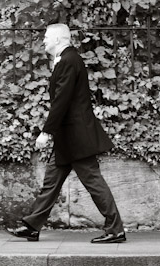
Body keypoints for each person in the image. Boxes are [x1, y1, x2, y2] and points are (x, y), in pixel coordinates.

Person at [7, 23, 126, 244]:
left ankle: (115, 229)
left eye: (46, 37)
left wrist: (46, 131)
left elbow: (62, 100)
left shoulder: (69, 60)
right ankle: (33, 225)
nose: (43, 41)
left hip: (77, 138)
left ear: (60, 39)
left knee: (94, 183)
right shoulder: (65, 60)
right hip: (67, 139)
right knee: (51, 183)